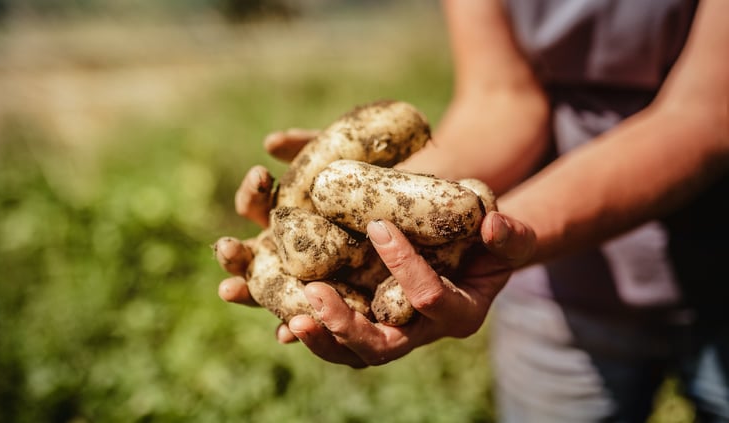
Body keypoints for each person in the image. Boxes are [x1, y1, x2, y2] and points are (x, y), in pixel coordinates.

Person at [217, 0, 729, 421]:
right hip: (558, 293)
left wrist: (504, 235)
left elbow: (707, 114)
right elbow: (503, 98)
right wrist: (390, 173)